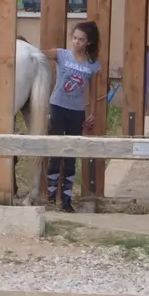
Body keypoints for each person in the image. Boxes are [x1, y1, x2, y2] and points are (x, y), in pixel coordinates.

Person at [45, 21, 102, 212]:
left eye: (81, 39)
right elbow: (41, 54)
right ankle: (51, 195)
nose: (76, 42)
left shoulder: (92, 64)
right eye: (75, 38)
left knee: (71, 153)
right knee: (55, 150)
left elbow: (93, 91)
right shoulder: (62, 54)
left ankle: (67, 199)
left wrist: (91, 112)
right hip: (57, 106)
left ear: (89, 42)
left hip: (77, 111)